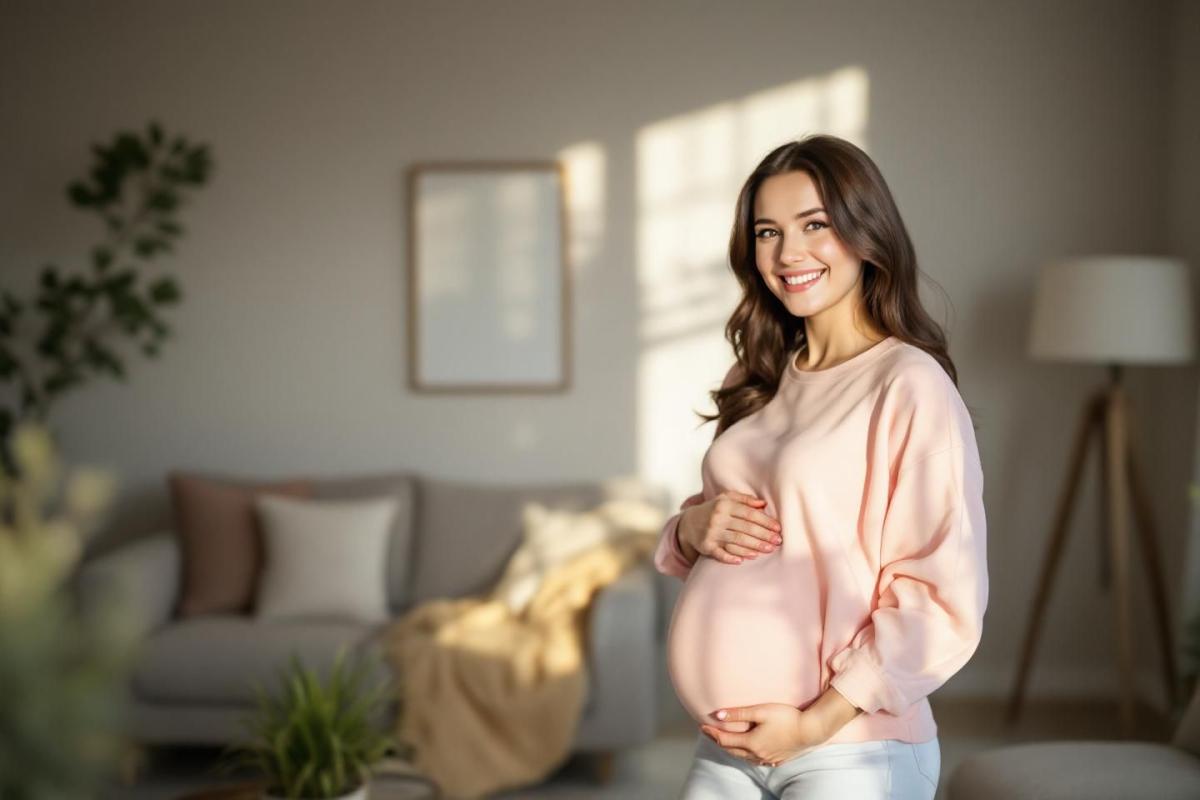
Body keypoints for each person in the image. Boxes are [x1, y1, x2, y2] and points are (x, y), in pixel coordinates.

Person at [654, 134, 988, 799]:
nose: (789, 254)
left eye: (816, 225)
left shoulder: (907, 384)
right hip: (726, 746)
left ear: (866, 233)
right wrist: (688, 530)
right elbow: (722, 533)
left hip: (849, 749)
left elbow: (939, 594)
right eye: (768, 232)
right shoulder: (758, 376)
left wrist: (812, 724)